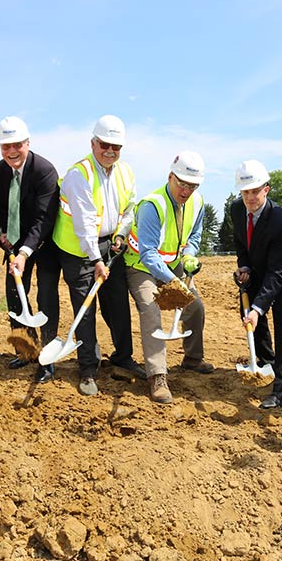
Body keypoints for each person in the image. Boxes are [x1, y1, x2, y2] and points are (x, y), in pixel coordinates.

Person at [52, 114, 143, 396]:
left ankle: (123, 356)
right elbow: (84, 224)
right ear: (93, 143)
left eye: (116, 147)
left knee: (117, 303)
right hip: (77, 250)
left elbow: (129, 208)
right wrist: (96, 261)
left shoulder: (125, 171)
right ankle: (88, 368)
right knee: (85, 308)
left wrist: (119, 235)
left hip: (108, 244)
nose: (110, 151)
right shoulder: (79, 174)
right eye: (104, 144)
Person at [124, 151, 211, 404]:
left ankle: (193, 359)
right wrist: (173, 282)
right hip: (141, 267)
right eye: (182, 183)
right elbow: (148, 253)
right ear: (170, 176)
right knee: (151, 309)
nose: (186, 190)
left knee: (195, 306)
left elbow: (194, 237)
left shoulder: (197, 203)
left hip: (173, 265)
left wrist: (190, 257)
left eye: (192, 185)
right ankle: (157, 376)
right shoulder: (153, 205)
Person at [0, 116, 60, 383]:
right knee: (15, 298)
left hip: (45, 243)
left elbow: (43, 219)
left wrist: (26, 252)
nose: (12, 151)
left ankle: (48, 359)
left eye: (17, 144)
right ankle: (26, 350)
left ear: (28, 142)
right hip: (14, 243)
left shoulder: (44, 171)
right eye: (5, 146)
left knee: (46, 299)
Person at [231, 160, 282, 409]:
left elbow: (277, 273)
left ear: (267, 189)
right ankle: (267, 362)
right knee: (251, 310)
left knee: (281, 316)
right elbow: (241, 242)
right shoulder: (236, 209)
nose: (250, 197)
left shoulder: (280, 221)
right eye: (245, 192)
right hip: (259, 269)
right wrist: (243, 265)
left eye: (255, 191)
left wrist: (258, 308)